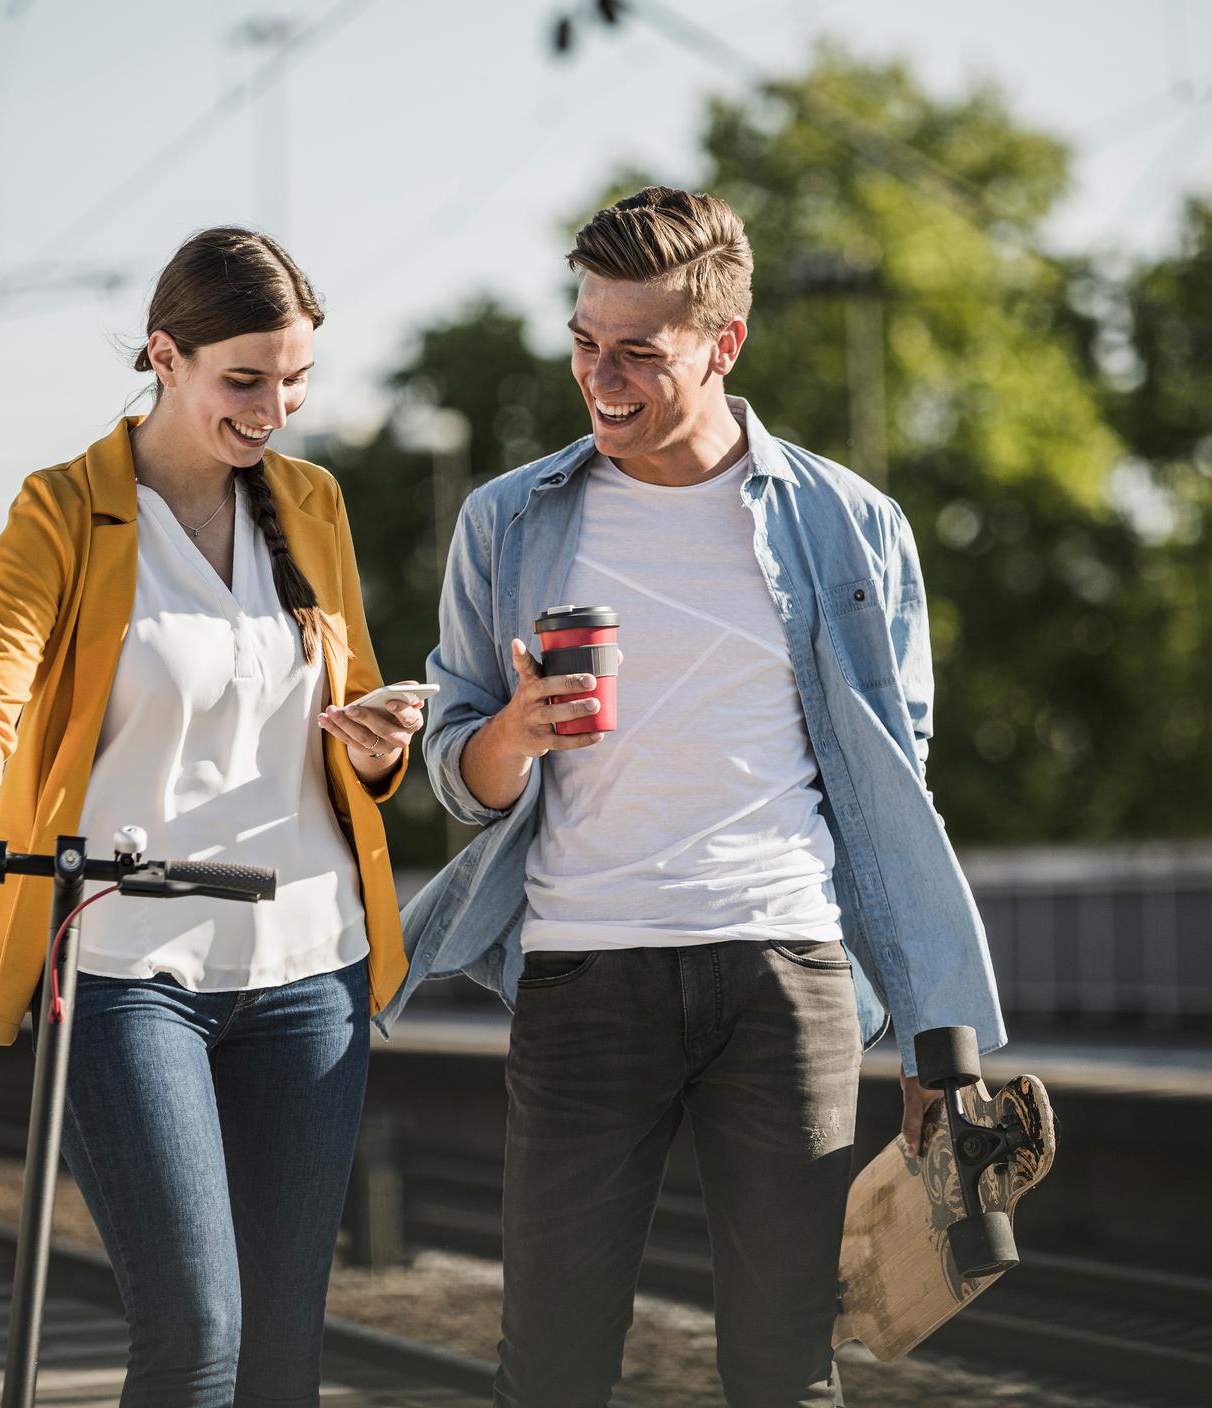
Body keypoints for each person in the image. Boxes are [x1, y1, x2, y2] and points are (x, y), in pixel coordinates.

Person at [378, 187, 1006, 1407]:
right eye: (582, 341)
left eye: (636, 353)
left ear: (723, 344)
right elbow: (459, 772)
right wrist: (512, 732)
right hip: (582, 976)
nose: (599, 377)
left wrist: (938, 1034)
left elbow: (896, 796)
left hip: (786, 982)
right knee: (551, 1366)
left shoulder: (848, 525)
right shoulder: (507, 521)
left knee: (783, 1365)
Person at [0, 227, 423, 1407]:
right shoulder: (63, 509)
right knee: (197, 1330)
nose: (277, 407)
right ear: (166, 356)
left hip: (309, 969)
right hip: (124, 967)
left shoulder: (312, 503)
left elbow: (349, 715)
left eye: (296, 379)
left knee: (282, 1354)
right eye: (246, 380)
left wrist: (379, 752)